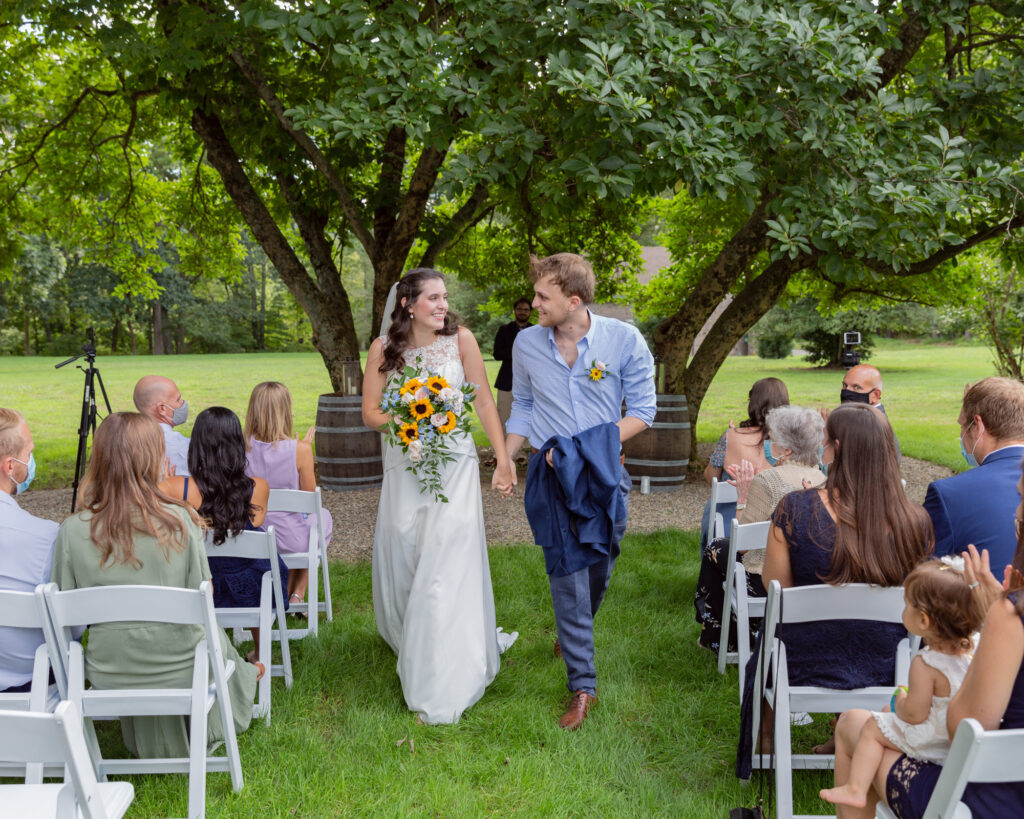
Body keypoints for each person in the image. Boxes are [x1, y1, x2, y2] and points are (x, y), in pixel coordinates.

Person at [736, 403, 933, 778]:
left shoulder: (795, 509)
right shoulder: (916, 521)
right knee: (856, 631)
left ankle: (767, 734)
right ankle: (848, 732)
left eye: (826, 442)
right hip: (887, 663)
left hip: (802, 661)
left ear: (837, 449)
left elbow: (775, 587)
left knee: (790, 629)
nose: (821, 449)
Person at [505, 252, 656, 730]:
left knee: (603, 559)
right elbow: (524, 406)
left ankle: (574, 630)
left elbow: (644, 410)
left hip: (604, 473)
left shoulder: (624, 339)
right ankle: (582, 686)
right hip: (550, 474)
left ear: (573, 301)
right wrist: (507, 457)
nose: (533, 304)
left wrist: (590, 446)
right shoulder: (527, 344)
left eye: (542, 297)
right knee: (567, 572)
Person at [51, 412, 258, 759]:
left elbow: (66, 618)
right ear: (153, 460)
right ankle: (247, 674)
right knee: (210, 638)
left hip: (108, 668)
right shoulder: (182, 521)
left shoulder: (72, 530)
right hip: (184, 664)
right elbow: (201, 602)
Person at [362, 268, 517, 725]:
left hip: (454, 463)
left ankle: (443, 677)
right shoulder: (384, 350)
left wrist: (503, 459)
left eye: (445, 297)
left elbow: (484, 402)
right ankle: (410, 636)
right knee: (409, 551)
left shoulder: (462, 340)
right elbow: (371, 413)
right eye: (432, 298)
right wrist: (409, 416)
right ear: (408, 303)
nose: (442, 305)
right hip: (405, 463)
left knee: (447, 559)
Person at [833, 481, 1024, 819]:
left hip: (989, 798)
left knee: (853, 724)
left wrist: (995, 619)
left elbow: (962, 728)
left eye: (1023, 499)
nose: (1018, 511)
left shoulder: (1011, 618)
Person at [821, 559, 983, 809]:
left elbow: (915, 715)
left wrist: (901, 701)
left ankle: (856, 788)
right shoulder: (973, 650)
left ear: (924, 621)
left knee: (873, 727)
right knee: (885, 716)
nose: (903, 609)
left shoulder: (926, 662)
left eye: (907, 604)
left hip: (932, 740)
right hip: (953, 742)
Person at [695, 405, 826, 652]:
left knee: (716, 548)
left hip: (765, 578)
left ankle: (718, 635)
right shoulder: (824, 480)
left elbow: (742, 547)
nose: (768, 444)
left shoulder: (768, 480)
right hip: (811, 577)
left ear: (787, 449)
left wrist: (743, 497)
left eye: (772, 439)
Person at [163, 406, 287, 655]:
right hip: (251, 589)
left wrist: (166, 485)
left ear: (196, 446)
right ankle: (260, 650)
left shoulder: (175, 488)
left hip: (199, 584)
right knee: (256, 570)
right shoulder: (258, 487)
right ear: (237, 445)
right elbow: (255, 520)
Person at [244, 381, 334, 610]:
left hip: (253, 535)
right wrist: (303, 447)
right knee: (321, 518)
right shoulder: (300, 450)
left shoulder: (239, 447)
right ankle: (298, 592)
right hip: (292, 538)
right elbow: (309, 502)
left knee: (310, 523)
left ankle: (288, 591)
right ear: (285, 411)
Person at [923, 376, 1024, 567]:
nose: (961, 436)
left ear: (977, 426)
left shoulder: (949, 494)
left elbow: (924, 580)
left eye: (962, 425)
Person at [0, 408, 60, 693]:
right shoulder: (45, 536)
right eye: (29, 452)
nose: (31, 461)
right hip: (25, 678)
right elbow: (70, 626)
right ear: (10, 466)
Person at [699, 377, 789, 546]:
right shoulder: (790, 444)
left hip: (728, 525)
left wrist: (722, 445)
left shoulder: (731, 436)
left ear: (752, 403)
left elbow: (711, 478)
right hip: (773, 529)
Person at [133, 375, 191, 476]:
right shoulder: (185, 447)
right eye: (178, 400)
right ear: (162, 409)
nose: (183, 403)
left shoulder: (126, 441)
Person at [492, 297, 533, 430]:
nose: (522, 312)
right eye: (520, 309)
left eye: (526, 310)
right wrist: (520, 353)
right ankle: (504, 448)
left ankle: (526, 448)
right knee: (504, 414)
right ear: (514, 310)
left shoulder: (536, 331)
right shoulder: (504, 330)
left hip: (530, 381)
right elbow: (497, 354)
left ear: (530, 312)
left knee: (529, 415)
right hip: (507, 380)